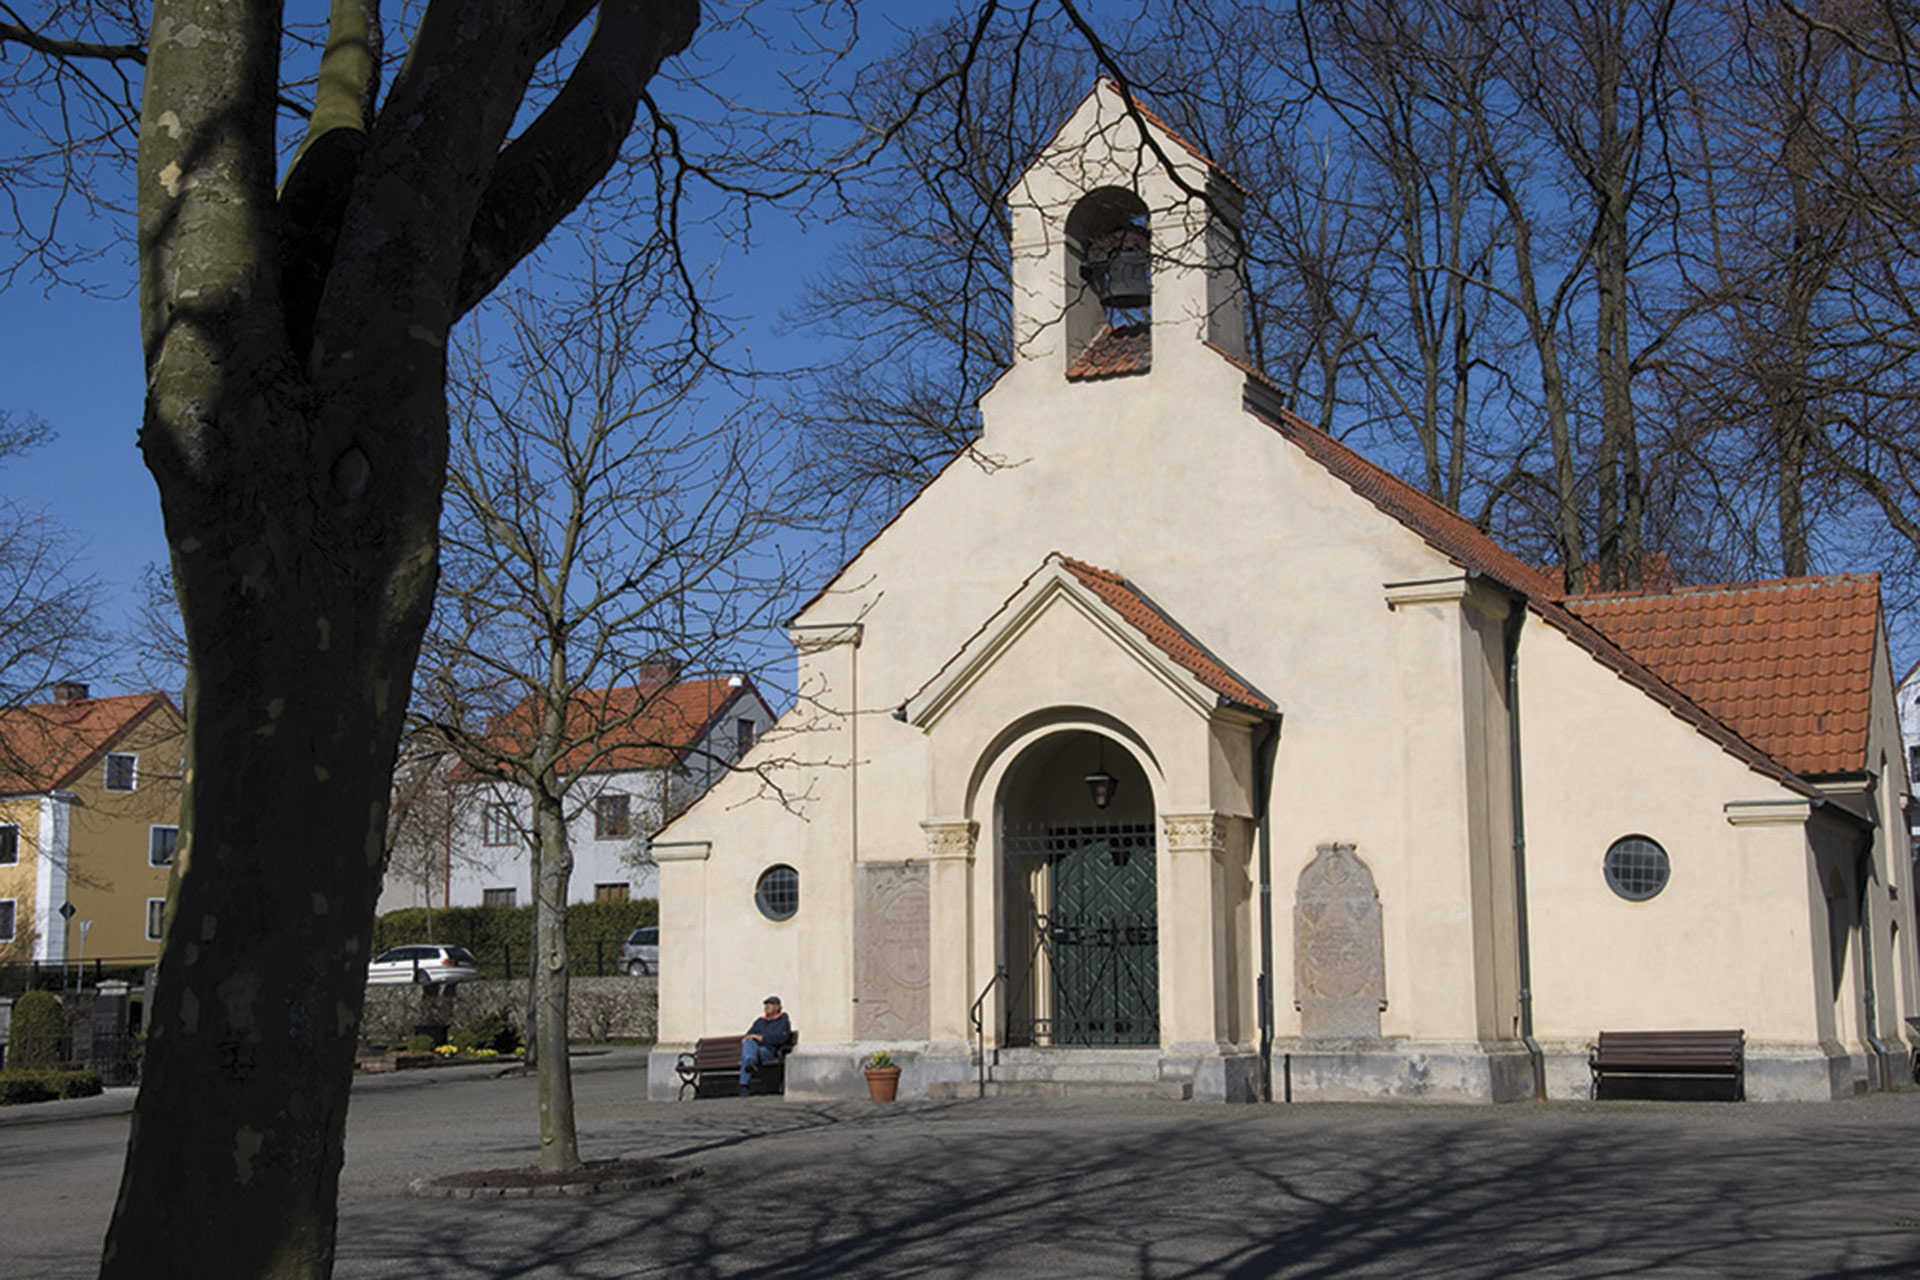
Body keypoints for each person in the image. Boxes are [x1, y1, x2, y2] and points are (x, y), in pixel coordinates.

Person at [739, 995, 792, 1096]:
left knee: (753, 1052)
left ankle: (744, 1084)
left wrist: (762, 1038)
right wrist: (752, 1038)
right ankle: (750, 1062)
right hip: (755, 1050)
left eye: (770, 1005)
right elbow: (749, 1036)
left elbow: (781, 1039)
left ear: (777, 1007)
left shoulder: (782, 1021)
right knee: (749, 1043)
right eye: (766, 1005)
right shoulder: (760, 1021)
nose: (767, 1007)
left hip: (769, 1052)